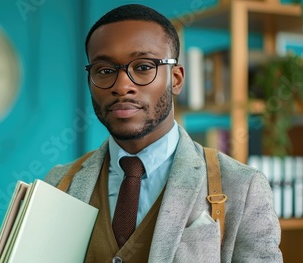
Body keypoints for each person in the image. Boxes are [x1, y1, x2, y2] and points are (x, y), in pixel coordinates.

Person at [44, 4, 282, 263]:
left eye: (144, 67)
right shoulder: (58, 183)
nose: (123, 86)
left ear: (176, 79)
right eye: (104, 70)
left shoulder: (241, 186)